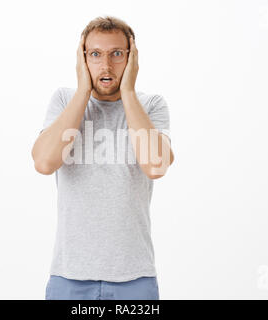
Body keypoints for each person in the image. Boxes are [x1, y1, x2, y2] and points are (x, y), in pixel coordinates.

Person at [31, 16, 174, 300]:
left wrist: (128, 92)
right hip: (69, 276)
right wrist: (84, 90)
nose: (106, 65)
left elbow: (156, 166)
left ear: (132, 59)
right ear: (82, 59)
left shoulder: (151, 105)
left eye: (117, 54)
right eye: (95, 54)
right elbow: (44, 163)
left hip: (134, 278)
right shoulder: (64, 101)